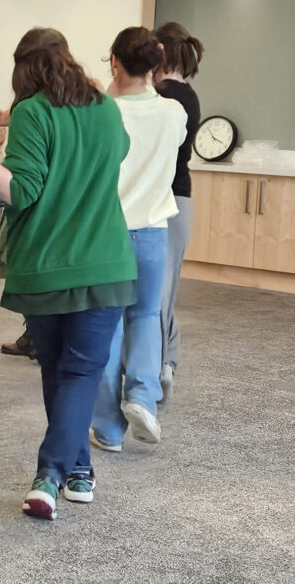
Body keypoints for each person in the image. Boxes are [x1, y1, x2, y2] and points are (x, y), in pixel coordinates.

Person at [0, 27, 136, 521]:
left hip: (47, 264)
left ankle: (49, 475)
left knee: (64, 371)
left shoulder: (32, 111)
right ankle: (79, 468)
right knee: (70, 372)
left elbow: (22, 190)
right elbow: (119, 153)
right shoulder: (106, 109)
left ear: (23, 69)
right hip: (106, 262)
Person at [91, 27, 186, 451]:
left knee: (107, 325)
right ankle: (143, 397)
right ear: (154, 63)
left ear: (114, 61)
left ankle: (108, 430)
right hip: (152, 232)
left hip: (108, 232)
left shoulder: (103, 111)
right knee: (146, 316)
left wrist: (111, 87)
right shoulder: (173, 112)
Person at [153, 22, 203, 398]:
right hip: (178, 198)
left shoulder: (165, 95)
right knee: (165, 290)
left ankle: (159, 365)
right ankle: (166, 362)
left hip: (164, 199)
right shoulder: (188, 94)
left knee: (157, 291)